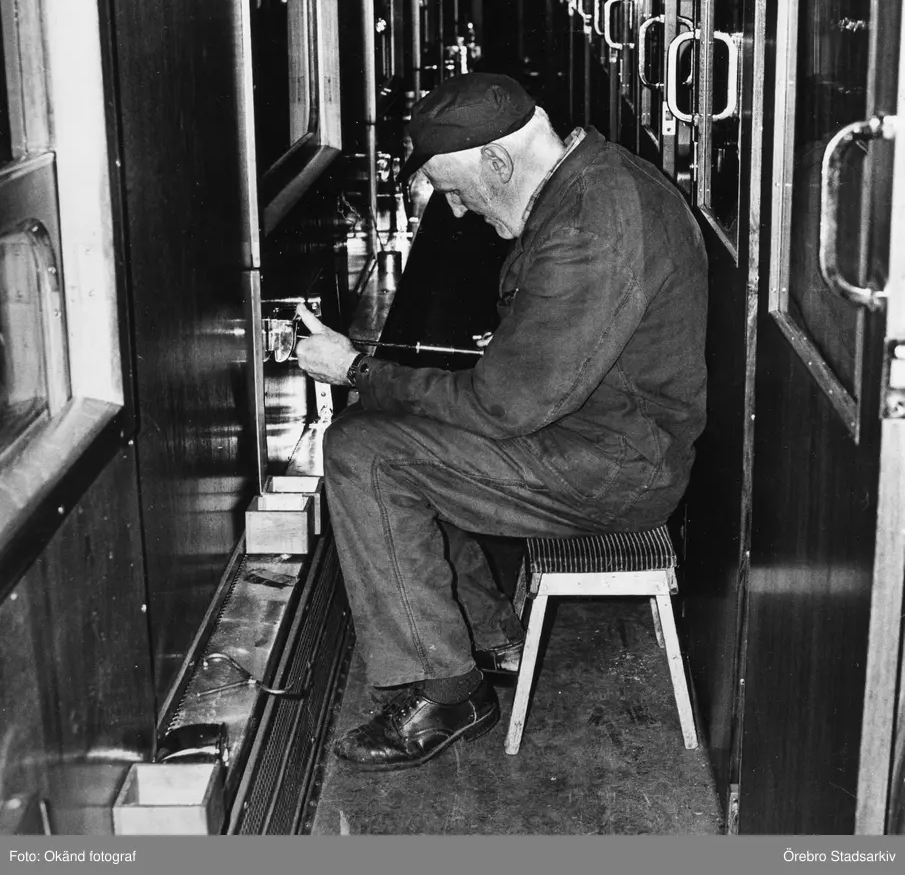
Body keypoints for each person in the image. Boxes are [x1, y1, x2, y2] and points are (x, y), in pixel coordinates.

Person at [294, 72, 708, 772]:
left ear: (496, 160)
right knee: (402, 419)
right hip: (603, 435)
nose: (457, 212)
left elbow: (502, 408)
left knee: (365, 450)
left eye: (456, 192)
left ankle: (447, 695)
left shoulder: (588, 227)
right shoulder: (592, 180)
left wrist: (357, 369)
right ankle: (490, 640)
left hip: (616, 470)